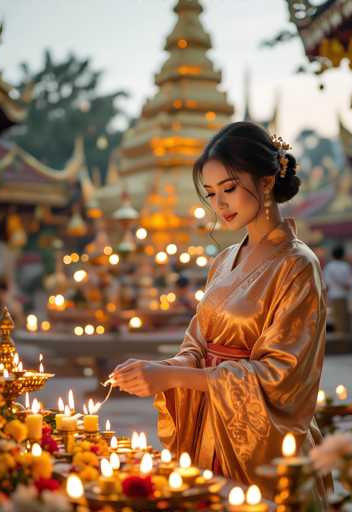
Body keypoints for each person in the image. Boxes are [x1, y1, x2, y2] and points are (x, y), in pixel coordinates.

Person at [109, 122, 328, 503]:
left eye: (229, 189)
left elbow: (281, 375)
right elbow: (197, 342)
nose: (219, 205)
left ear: (265, 182)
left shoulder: (297, 265)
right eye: (211, 194)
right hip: (206, 426)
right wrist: (165, 368)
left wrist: (171, 378)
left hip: (259, 441)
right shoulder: (224, 260)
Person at [324, 245, 352, 333]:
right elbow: (350, 284)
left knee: (337, 320)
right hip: (344, 296)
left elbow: (327, 285)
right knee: (345, 320)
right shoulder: (346, 266)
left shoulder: (329, 267)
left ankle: (340, 340)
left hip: (333, 296)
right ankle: (345, 339)